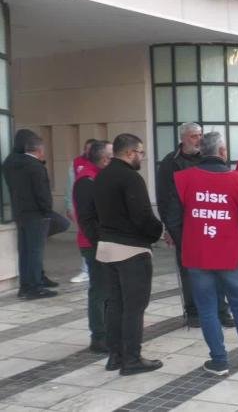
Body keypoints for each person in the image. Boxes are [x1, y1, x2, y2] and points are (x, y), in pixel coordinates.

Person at [166, 132, 238, 376]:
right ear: (222, 152)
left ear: (202, 151)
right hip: (228, 254)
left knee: (207, 307)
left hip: (197, 254)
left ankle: (219, 361)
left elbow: (173, 219)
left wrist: (184, 243)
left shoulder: (182, 179)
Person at [94, 133, 163, 375]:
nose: (141, 158)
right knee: (134, 307)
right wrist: (158, 232)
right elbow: (143, 216)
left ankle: (115, 356)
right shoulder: (131, 178)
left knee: (115, 305)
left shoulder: (101, 176)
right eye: (141, 153)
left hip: (106, 248)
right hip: (132, 250)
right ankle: (132, 359)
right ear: (130, 153)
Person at [157, 122, 234, 328]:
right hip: (184, 225)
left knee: (217, 268)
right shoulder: (170, 162)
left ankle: (221, 310)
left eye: (200, 135)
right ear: (183, 138)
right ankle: (193, 312)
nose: (199, 139)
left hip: (210, 222)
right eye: (193, 136)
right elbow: (164, 198)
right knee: (189, 271)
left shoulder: (208, 158)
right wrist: (169, 228)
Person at [3, 130, 60, 299]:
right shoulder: (36, 167)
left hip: (19, 213)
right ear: (38, 150)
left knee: (25, 251)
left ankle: (25, 286)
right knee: (35, 252)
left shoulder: (10, 163)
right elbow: (42, 194)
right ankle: (35, 287)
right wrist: (46, 211)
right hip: (36, 214)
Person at [73, 140, 112, 353]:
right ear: (103, 158)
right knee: (99, 290)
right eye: (111, 155)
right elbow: (88, 218)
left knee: (106, 289)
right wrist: (100, 243)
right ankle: (98, 336)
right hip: (93, 243)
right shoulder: (87, 180)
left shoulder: (97, 176)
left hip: (101, 241)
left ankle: (106, 331)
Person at [67, 138, 99, 284]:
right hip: (81, 208)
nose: (88, 151)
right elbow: (70, 186)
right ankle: (85, 270)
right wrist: (69, 205)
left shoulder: (101, 166)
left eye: (91, 148)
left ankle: (90, 269)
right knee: (85, 238)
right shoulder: (76, 163)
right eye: (86, 148)